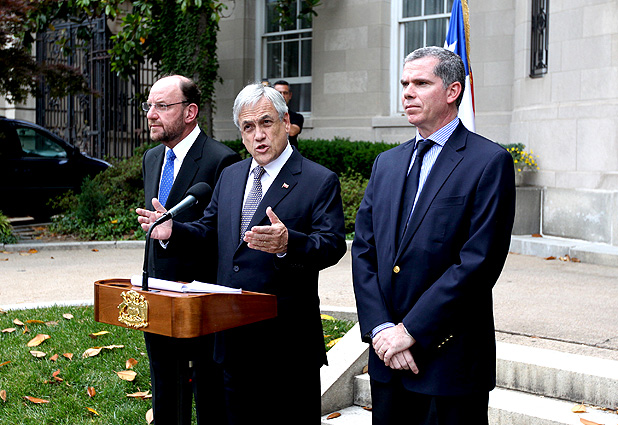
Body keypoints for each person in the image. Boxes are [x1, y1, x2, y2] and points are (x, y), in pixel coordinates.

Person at [137, 82, 347, 424]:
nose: (258, 135)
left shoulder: (318, 179)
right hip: (232, 342)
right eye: (248, 127)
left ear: (285, 122)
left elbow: (333, 244)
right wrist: (174, 231)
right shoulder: (231, 176)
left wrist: (288, 243)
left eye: (266, 123)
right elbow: (209, 230)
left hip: (286, 348)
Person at [352, 46, 516, 425]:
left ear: (453, 91)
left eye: (421, 83)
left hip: (449, 363)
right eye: (405, 84)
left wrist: (410, 331)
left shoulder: (488, 162)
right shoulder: (386, 163)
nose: (408, 93)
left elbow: (478, 263)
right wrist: (382, 330)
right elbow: (364, 251)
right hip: (388, 360)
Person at [141, 74, 240, 425]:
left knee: (210, 398)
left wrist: (174, 233)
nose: (151, 114)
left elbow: (222, 235)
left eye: (162, 106)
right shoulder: (152, 158)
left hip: (201, 303)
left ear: (190, 112)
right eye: (149, 105)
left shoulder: (222, 160)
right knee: (165, 395)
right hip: (157, 297)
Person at [273, 80, 304, 148]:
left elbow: (292, 132)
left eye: (285, 93)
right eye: (279, 93)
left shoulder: (297, 117)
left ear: (290, 95)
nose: (282, 96)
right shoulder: (266, 115)